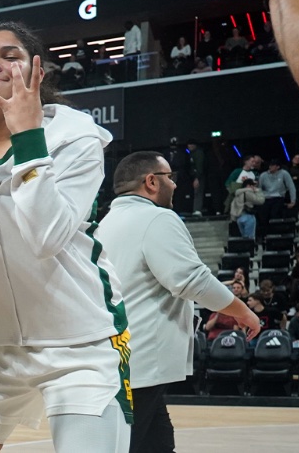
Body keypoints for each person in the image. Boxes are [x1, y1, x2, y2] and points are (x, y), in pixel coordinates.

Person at [0, 22, 132, 453]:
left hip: (79, 344)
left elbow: (46, 237)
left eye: (9, 55)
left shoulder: (73, 133)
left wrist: (29, 137)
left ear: (37, 73)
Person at [95, 151, 261, 453]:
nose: (176, 184)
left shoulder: (105, 224)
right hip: (143, 356)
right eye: (169, 177)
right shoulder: (157, 217)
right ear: (151, 181)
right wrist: (243, 311)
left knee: (157, 443)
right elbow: (192, 280)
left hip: (119, 354)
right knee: (125, 446)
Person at [259, 159, 298, 223]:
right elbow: (259, 188)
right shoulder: (263, 175)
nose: (270, 167)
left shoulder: (284, 173)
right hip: (266, 198)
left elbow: (291, 187)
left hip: (278, 198)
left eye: (272, 165)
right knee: (263, 216)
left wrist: (293, 201)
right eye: (270, 165)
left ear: (278, 167)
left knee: (275, 213)